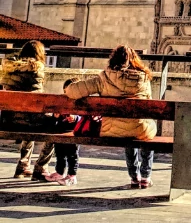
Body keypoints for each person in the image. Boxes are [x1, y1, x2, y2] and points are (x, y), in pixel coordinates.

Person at [64, 45, 156, 188]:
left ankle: (134, 177)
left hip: (110, 129)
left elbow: (71, 91)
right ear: (134, 61)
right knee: (143, 129)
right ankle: (146, 176)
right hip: (139, 129)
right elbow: (149, 103)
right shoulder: (144, 78)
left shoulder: (104, 78)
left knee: (125, 129)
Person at [0, 40, 56, 180]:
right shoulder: (36, 70)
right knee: (55, 126)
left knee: (28, 117)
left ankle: (23, 166)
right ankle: (41, 167)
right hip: (28, 120)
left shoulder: (9, 69)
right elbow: (37, 99)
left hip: (7, 120)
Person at [44, 78, 95, 187]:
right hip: (61, 130)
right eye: (65, 91)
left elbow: (83, 117)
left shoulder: (80, 102)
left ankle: (72, 175)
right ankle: (59, 172)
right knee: (59, 153)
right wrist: (55, 116)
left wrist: (75, 118)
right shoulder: (62, 101)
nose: (67, 93)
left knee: (72, 155)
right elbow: (55, 118)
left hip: (74, 131)